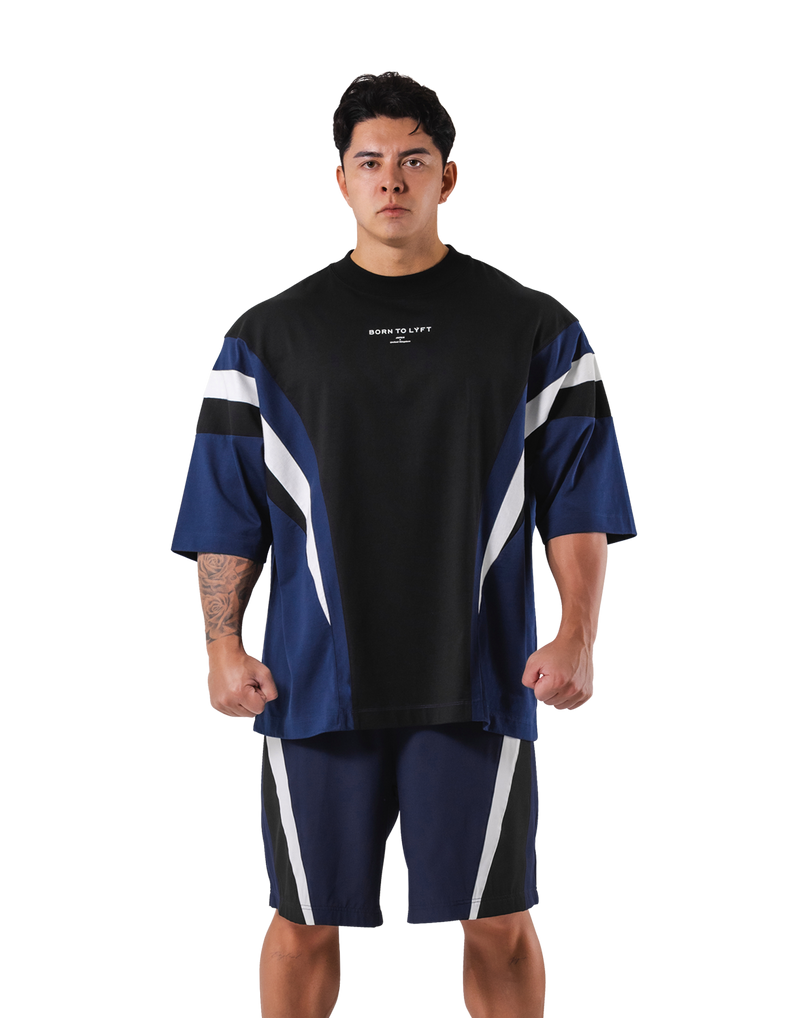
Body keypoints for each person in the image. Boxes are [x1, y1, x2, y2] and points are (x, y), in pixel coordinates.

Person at [169, 67, 638, 1018]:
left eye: (414, 161)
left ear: (448, 178)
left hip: (481, 676)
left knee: (498, 922)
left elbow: (578, 501)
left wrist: (578, 634)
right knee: (302, 921)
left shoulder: (536, 326)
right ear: (340, 180)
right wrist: (220, 643)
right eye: (371, 161)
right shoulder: (267, 336)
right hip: (312, 681)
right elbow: (228, 511)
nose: (391, 180)